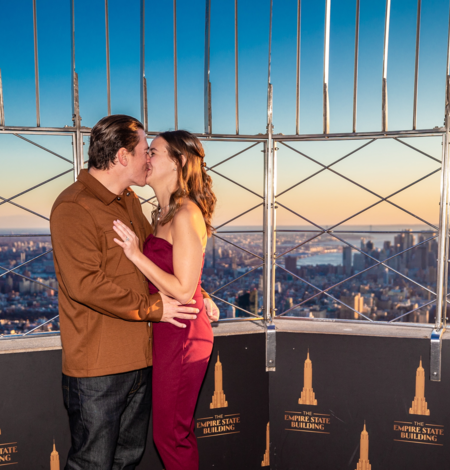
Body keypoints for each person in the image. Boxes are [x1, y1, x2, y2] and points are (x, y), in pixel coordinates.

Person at [50, 115, 219, 470]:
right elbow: (86, 286)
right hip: (99, 367)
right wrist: (157, 309)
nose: (148, 159)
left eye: (153, 152)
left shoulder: (130, 202)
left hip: (142, 358)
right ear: (124, 157)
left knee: (129, 458)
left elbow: (162, 260)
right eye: (146, 150)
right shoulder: (73, 207)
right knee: (92, 462)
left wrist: (198, 292)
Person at [112, 130, 216, 470]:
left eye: (153, 152)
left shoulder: (185, 214)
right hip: (168, 328)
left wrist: (134, 254)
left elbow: (182, 290)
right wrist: (203, 291)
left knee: (171, 436)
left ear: (178, 162)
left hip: (182, 333)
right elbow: (182, 273)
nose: (146, 157)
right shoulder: (162, 214)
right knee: (172, 433)